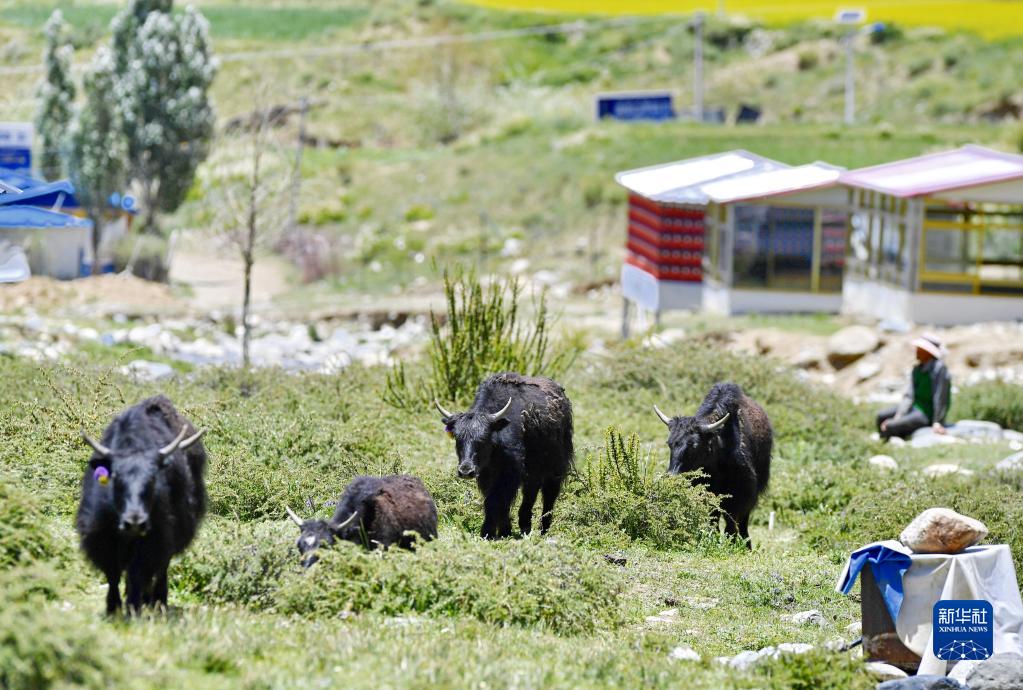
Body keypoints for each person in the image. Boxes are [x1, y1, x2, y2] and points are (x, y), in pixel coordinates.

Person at [876, 333, 951, 440]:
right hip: (914, 407)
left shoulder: (939, 369)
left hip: (926, 414)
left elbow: (941, 397)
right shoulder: (917, 369)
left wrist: (938, 422)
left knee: (889, 426)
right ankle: (886, 438)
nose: (916, 351)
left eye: (920, 349)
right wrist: (899, 415)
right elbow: (909, 396)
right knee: (881, 416)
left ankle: (890, 441)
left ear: (928, 352)